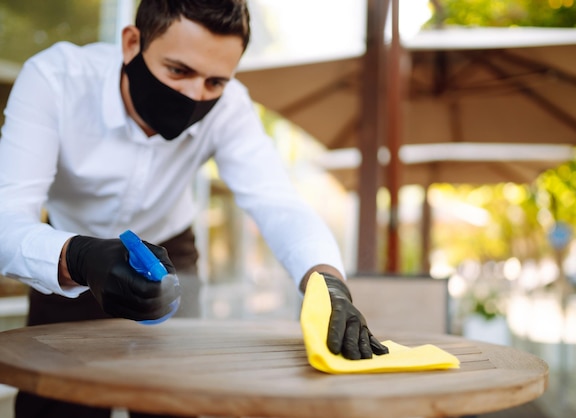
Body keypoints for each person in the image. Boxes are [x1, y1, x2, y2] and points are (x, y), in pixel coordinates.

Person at [0, 0, 388, 417]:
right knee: (55, 403)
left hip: (170, 252)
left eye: (215, 82)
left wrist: (327, 283)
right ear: (132, 43)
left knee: (174, 398)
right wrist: (77, 256)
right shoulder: (54, 80)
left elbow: (278, 201)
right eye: (179, 71)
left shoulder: (231, 108)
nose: (194, 96)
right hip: (68, 254)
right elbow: (6, 218)